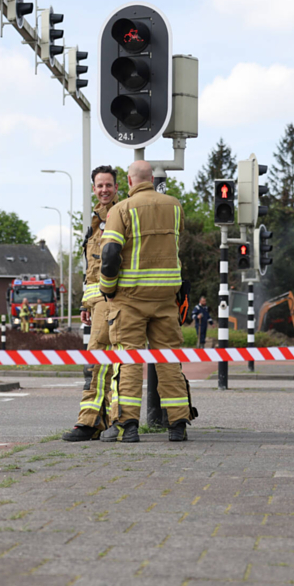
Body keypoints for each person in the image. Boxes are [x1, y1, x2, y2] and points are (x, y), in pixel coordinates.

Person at [99, 160, 196, 443]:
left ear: (128, 182)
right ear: (152, 179)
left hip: (129, 299)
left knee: (128, 361)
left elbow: (109, 256)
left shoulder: (121, 209)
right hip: (167, 297)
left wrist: (108, 289)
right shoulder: (175, 206)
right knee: (168, 361)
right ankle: (178, 424)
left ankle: (128, 426)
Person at [62, 165, 120, 442]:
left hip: (117, 300)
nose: (104, 190)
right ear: (94, 188)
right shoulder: (96, 222)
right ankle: (102, 421)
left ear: (117, 187)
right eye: (99, 186)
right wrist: (86, 303)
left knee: (100, 360)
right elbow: (92, 269)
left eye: (108, 185)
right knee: (99, 361)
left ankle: (92, 422)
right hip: (98, 303)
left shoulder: (122, 215)